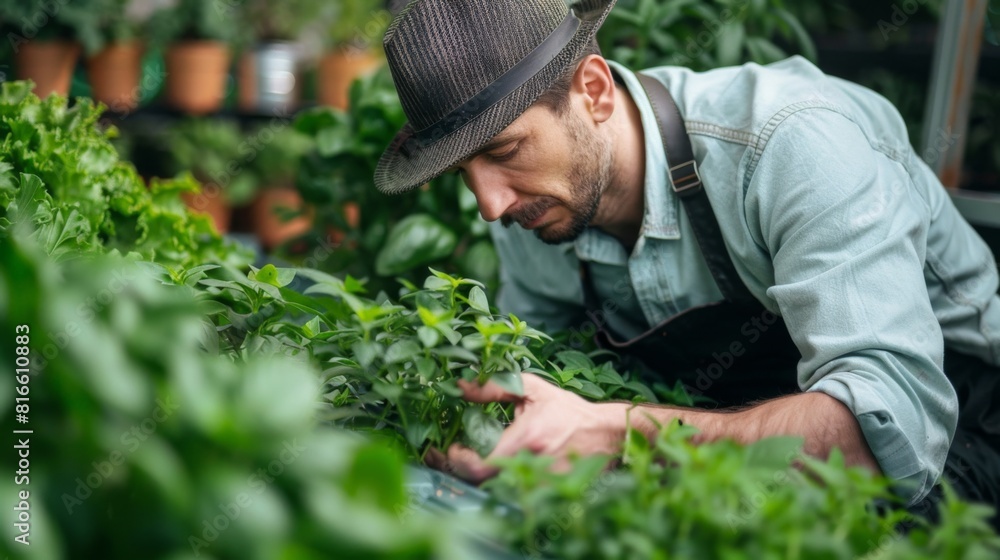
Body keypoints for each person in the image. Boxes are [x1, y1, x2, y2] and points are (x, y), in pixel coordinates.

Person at [374, 0, 1000, 525]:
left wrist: (617, 430)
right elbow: (540, 376)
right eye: (466, 174)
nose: (489, 203)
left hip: (963, 432)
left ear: (591, 90)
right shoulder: (536, 208)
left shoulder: (791, 146)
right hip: (740, 433)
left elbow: (885, 441)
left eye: (507, 150)